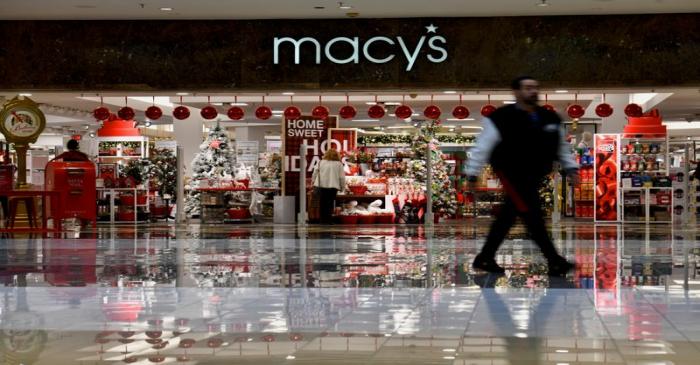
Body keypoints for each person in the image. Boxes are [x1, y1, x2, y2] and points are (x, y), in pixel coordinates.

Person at [466, 76, 579, 277]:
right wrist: (473, 173)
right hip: (511, 172)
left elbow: (561, 146)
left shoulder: (549, 118)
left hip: (534, 174)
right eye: (527, 88)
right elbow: (483, 145)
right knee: (532, 215)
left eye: (535, 87)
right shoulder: (501, 117)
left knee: (510, 216)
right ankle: (554, 260)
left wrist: (571, 168)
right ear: (516, 92)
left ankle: (485, 257)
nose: (533, 91)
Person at [312, 148, 345, 224]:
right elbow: (342, 177)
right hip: (333, 186)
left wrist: (313, 181)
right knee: (330, 203)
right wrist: (342, 187)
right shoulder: (339, 164)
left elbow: (315, 173)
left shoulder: (320, 162)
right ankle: (328, 220)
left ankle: (322, 220)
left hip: (321, 185)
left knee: (322, 203)